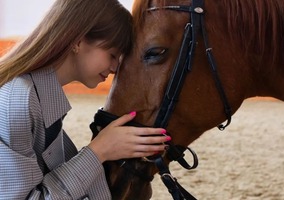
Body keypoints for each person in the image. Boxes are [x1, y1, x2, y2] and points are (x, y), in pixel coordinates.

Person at [0, 0, 171, 199]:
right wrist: (99, 150)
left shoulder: (38, 93)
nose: (115, 68)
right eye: (112, 55)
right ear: (78, 41)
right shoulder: (18, 101)